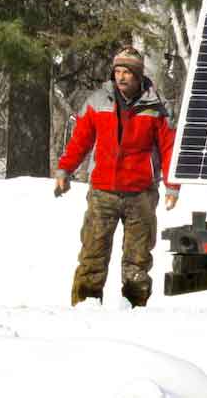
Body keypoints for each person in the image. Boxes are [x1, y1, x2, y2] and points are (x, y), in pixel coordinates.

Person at [53, 46, 179, 307]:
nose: (121, 77)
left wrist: (172, 186)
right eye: (118, 71)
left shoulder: (157, 106)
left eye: (127, 73)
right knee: (92, 255)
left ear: (138, 75)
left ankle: (134, 308)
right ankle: (85, 306)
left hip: (141, 193)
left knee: (138, 261)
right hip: (103, 191)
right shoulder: (98, 101)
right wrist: (65, 169)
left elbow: (169, 148)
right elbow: (81, 140)